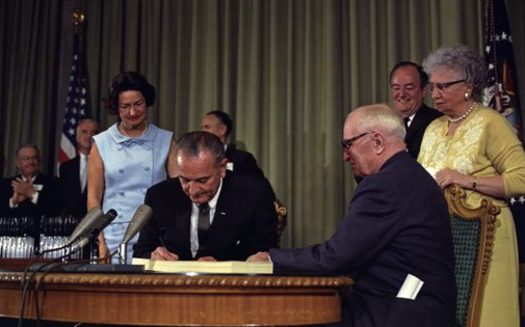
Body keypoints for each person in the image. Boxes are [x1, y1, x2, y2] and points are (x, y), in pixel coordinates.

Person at [248, 104, 456, 327]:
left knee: (279, 316)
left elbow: (337, 256)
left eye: (349, 144)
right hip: (413, 305)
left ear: (377, 142)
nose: (346, 156)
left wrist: (272, 259)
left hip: (398, 310)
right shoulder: (409, 174)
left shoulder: (385, 185)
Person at [418, 44, 525, 327]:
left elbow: (521, 178)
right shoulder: (432, 129)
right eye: (432, 86)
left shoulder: (491, 123)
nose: (435, 94)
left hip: (488, 239)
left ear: (468, 86)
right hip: (444, 241)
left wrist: (467, 180)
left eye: (443, 86)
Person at [133, 131, 277, 261]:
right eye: (185, 180)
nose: (193, 190)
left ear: (222, 168)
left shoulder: (253, 194)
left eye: (202, 180)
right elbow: (141, 252)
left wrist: (221, 266)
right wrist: (153, 256)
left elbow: (265, 253)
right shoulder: (159, 196)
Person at [87, 71, 176, 263]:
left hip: (155, 236)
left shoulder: (165, 140)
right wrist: (99, 241)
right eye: (125, 106)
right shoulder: (102, 143)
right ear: (116, 108)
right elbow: (94, 198)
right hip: (113, 235)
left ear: (147, 102)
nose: (133, 112)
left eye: (138, 104)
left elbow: (179, 191)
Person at [389, 61, 442, 159]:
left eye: (409, 88)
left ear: (424, 91)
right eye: (396, 88)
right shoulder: (386, 124)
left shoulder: (438, 122)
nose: (401, 94)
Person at [0, 144, 63, 220]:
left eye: (34, 158)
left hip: (41, 231)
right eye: (26, 158)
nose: (31, 162)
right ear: (18, 163)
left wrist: (32, 194)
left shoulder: (53, 183)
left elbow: (56, 211)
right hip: (13, 231)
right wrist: (13, 202)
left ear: (39, 161)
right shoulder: (5, 184)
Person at [201, 110, 265, 178]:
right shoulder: (198, 157)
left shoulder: (242, 159)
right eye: (202, 128)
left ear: (222, 129)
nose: (202, 131)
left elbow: (257, 185)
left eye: (207, 127)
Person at [59, 118, 99, 218]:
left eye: (93, 132)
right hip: (71, 226)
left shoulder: (105, 164)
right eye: (84, 132)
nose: (89, 136)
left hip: (97, 223)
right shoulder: (66, 168)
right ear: (77, 137)